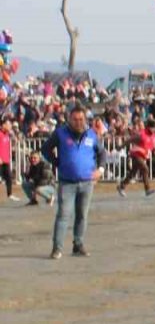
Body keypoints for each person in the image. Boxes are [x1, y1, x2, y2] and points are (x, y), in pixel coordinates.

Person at [41, 105, 106, 259]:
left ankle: (78, 244)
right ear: (69, 119)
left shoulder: (91, 135)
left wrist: (100, 170)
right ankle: (57, 248)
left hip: (87, 182)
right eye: (75, 119)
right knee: (63, 215)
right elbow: (45, 149)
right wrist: (57, 162)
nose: (78, 122)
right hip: (67, 183)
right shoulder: (60, 133)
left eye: (81, 119)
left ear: (85, 119)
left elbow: (102, 153)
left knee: (82, 215)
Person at [118, 119, 155, 197]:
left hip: (143, 155)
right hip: (136, 154)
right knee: (145, 169)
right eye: (153, 127)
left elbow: (152, 144)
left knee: (133, 172)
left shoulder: (153, 135)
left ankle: (121, 186)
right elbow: (130, 140)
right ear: (149, 127)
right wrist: (121, 146)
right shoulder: (141, 134)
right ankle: (147, 189)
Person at [0, 120, 17, 201]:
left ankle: (9, 194)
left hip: (5, 160)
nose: (10, 126)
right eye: (8, 124)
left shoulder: (7, 135)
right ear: (3, 125)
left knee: (9, 178)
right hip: (0, 160)